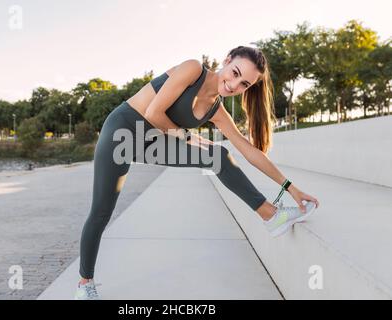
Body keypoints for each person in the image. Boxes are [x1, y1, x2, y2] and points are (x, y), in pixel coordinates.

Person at [74, 46, 320, 300]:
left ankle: (271, 216)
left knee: (219, 156)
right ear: (226, 61)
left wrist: (291, 187)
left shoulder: (216, 110)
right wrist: (190, 138)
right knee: (101, 212)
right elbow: (153, 113)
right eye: (234, 73)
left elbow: (249, 151)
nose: (234, 84)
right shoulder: (193, 69)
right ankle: (85, 284)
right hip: (121, 133)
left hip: (155, 140)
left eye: (244, 84)